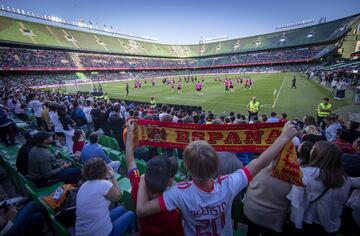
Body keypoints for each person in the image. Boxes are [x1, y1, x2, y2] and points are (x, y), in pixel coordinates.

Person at [136, 122, 299, 235]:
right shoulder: (228, 184)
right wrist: (284, 137)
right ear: (215, 164)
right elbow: (259, 163)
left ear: (187, 166)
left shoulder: (179, 192)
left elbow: (142, 210)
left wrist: (143, 178)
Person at [125, 121, 184, 236]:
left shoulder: (138, 187)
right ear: (169, 181)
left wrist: (129, 135)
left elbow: (130, 161)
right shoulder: (175, 201)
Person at [287, 141, 351, 235]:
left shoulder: (305, 173)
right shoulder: (345, 180)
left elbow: (296, 200)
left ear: (317, 154)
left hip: (306, 221)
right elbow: (342, 201)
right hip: (330, 224)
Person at [75, 159, 135, 236]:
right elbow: (118, 196)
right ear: (103, 171)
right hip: (103, 233)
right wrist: (112, 176)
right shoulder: (103, 184)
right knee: (131, 213)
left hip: (84, 232)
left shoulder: (84, 185)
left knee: (122, 209)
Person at [243, 159, 292, 236]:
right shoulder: (293, 175)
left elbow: (245, 180)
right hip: (274, 219)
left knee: (251, 232)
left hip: (251, 211)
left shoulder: (255, 163)